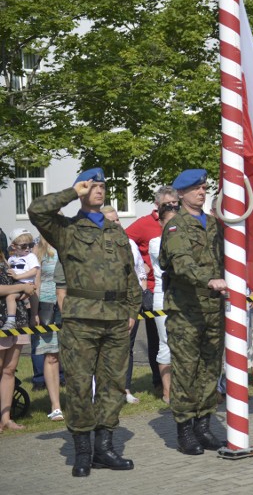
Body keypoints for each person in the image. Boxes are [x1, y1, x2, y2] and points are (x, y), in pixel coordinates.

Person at [28, 167, 139, 476]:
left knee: (113, 385)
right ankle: (82, 451)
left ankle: (104, 448)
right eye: (91, 186)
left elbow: (130, 275)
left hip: (116, 320)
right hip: (81, 320)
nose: (98, 190)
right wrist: (71, 192)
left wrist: (132, 309)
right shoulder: (66, 229)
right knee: (78, 385)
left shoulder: (116, 230)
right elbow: (36, 209)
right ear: (81, 190)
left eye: (102, 185)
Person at [158, 169, 226, 455]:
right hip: (187, 311)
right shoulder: (175, 227)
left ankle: (204, 425)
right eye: (196, 189)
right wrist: (208, 279)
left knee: (210, 369)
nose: (201, 192)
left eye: (204, 188)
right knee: (186, 371)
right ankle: (184, 430)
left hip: (213, 308)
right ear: (181, 194)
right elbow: (181, 263)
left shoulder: (214, 224)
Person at [126, 186, 179, 396]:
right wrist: (139, 265)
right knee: (157, 339)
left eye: (176, 203)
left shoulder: (181, 225)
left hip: (174, 292)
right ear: (157, 206)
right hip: (153, 289)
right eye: (169, 204)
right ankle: (160, 384)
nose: (173, 207)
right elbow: (125, 241)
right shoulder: (145, 225)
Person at [102, 205, 148, 404]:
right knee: (108, 348)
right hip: (108, 304)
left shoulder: (128, 242)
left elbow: (139, 267)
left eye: (117, 219)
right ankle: (108, 390)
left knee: (127, 346)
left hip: (130, 303)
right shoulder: (98, 244)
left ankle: (125, 389)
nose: (116, 223)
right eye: (110, 221)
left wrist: (143, 283)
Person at [148, 200, 180, 404]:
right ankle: (167, 391)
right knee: (166, 343)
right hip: (163, 296)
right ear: (161, 223)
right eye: (169, 221)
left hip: (182, 297)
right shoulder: (155, 242)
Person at [0, 256, 36, 432]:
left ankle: (6, 418)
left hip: (18, 319)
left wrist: (26, 288)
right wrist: (21, 287)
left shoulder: (8, 260)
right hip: (1, 322)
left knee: (9, 370)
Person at [33, 237, 64, 421]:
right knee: (51, 355)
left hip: (69, 303)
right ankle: (56, 406)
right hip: (47, 306)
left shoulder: (69, 244)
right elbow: (35, 282)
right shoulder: (39, 249)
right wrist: (34, 311)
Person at [3, 228, 40, 331]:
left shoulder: (31, 257)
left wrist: (17, 277)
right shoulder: (11, 259)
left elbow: (34, 271)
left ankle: (11, 321)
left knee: (10, 297)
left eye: (30, 245)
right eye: (24, 246)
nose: (28, 248)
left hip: (26, 284)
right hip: (15, 284)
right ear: (14, 246)